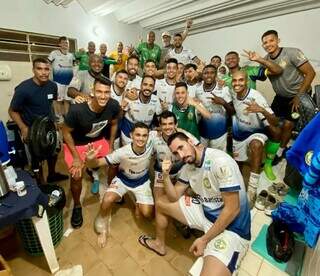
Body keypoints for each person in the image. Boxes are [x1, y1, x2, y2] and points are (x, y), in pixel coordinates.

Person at [138, 132, 250, 276]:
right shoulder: (188, 167)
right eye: (176, 153)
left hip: (231, 227)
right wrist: (165, 176)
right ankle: (159, 244)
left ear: (191, 141)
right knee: (161, 203)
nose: (181, 155)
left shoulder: (220, 161)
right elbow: (173, 197)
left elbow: (233, 209)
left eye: (181, 147)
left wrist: (204, 239)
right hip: (206, 212)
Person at [61, 76, 120, 228]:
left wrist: (111, 144)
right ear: (92, 91)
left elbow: (114, 123)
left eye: (107, 92)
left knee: (115, 162)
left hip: (98, 141)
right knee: (76, 174)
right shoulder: (77, 110)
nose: (103, 96)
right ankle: (77, 206)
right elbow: (65, 132)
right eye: (99, 91)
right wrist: (75, 157)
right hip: (77, 144)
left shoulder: (113, 105)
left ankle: (110, 190)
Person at [85, 122, 155, 248]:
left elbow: (165, 131)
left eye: (144, 135)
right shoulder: (122, 152)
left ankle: (138, 204)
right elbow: (96, 163)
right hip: (123, 180)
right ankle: (102, 228)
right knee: (107, 200)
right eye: (137, 135)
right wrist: (90, 159)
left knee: (148, 215)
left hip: (142, 182)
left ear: (148, 136)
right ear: (131, 135)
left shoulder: (151, 142)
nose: (141, 138)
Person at [8, 57, 68, 184]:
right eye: (39, 69)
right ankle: (40, 184)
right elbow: (12, 111)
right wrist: (23, 128)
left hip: (48, 126)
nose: (43, 72)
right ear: (33, 70)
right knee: (36, 160)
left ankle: (52, 174)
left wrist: (55, 120)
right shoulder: (23, 89)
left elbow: (52, 103)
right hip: (32, 129)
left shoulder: (52, 86)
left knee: (53, 152)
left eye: (46, 69)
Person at [261, 30, 316, 164]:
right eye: (265, 43)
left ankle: (281, 151)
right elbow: (263, 75)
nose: (268, 44)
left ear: (278, 40)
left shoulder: (292, 52)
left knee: (287, 125)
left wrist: (299, 95)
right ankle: (273, 146)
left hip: (296, 95)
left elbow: (311, 73)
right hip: (280, 96)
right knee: (272, 121)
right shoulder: (265, 59)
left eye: (271, 40)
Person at [231, 71, 280, 206]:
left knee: (256, 145)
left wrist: (262, 110)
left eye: (241, 80)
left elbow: (275, 121)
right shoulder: (232, 92)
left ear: (246, 81)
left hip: (256, 131)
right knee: (238, 164)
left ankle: (252, 192)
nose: (237, 83)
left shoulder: (256, 96)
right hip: (239, 134)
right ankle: (237, 189)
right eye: (234, 80)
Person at [196, 65, 234, 151]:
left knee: (219, 158)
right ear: (202, 75)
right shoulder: (197, 90)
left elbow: (232, 111)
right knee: (203, 157)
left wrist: (223, 103)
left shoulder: (224, 89)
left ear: (216, 75)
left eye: (212, 73)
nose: (209, 75)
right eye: (206, 73)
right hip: (203, 131)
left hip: (219, 132)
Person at [120, 75, 162, 145]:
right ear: (141, 85)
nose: (147, 88)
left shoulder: (156, 99)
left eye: (151, 85)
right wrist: (121, 107)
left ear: (154, 88)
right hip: (128, 132)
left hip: (145, 133)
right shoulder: (131, 96)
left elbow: (158, 117)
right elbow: (120, 116)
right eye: (145, 84)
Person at [48, 36, 75, 117]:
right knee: (58, 101)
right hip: (58, 82)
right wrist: (49, 76)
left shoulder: (71, 55)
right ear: (59, 44)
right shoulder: (54, 53)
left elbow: (75, 66)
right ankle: (59, 116)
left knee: (67, 100)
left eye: (67, 43)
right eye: (63, 42)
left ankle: (67, 116)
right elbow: (47, 63)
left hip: (69, 82)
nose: (65, 44)